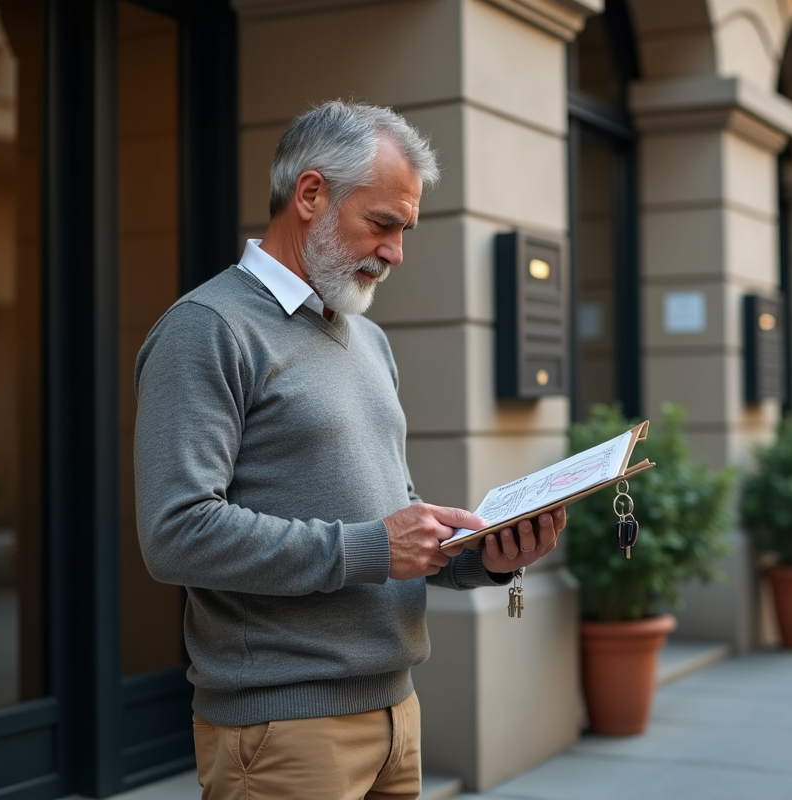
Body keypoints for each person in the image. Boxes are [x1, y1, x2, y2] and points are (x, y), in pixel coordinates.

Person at [133, 100, 564, 800]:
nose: (395, 252)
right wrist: (371, 546)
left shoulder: (369, 340)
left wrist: (481, 557)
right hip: (281, 732)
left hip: (397, 715)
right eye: (382, 224)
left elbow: (388, 519)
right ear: (310, 195)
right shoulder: (206, 329)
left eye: (405, 230)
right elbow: (175, 533)